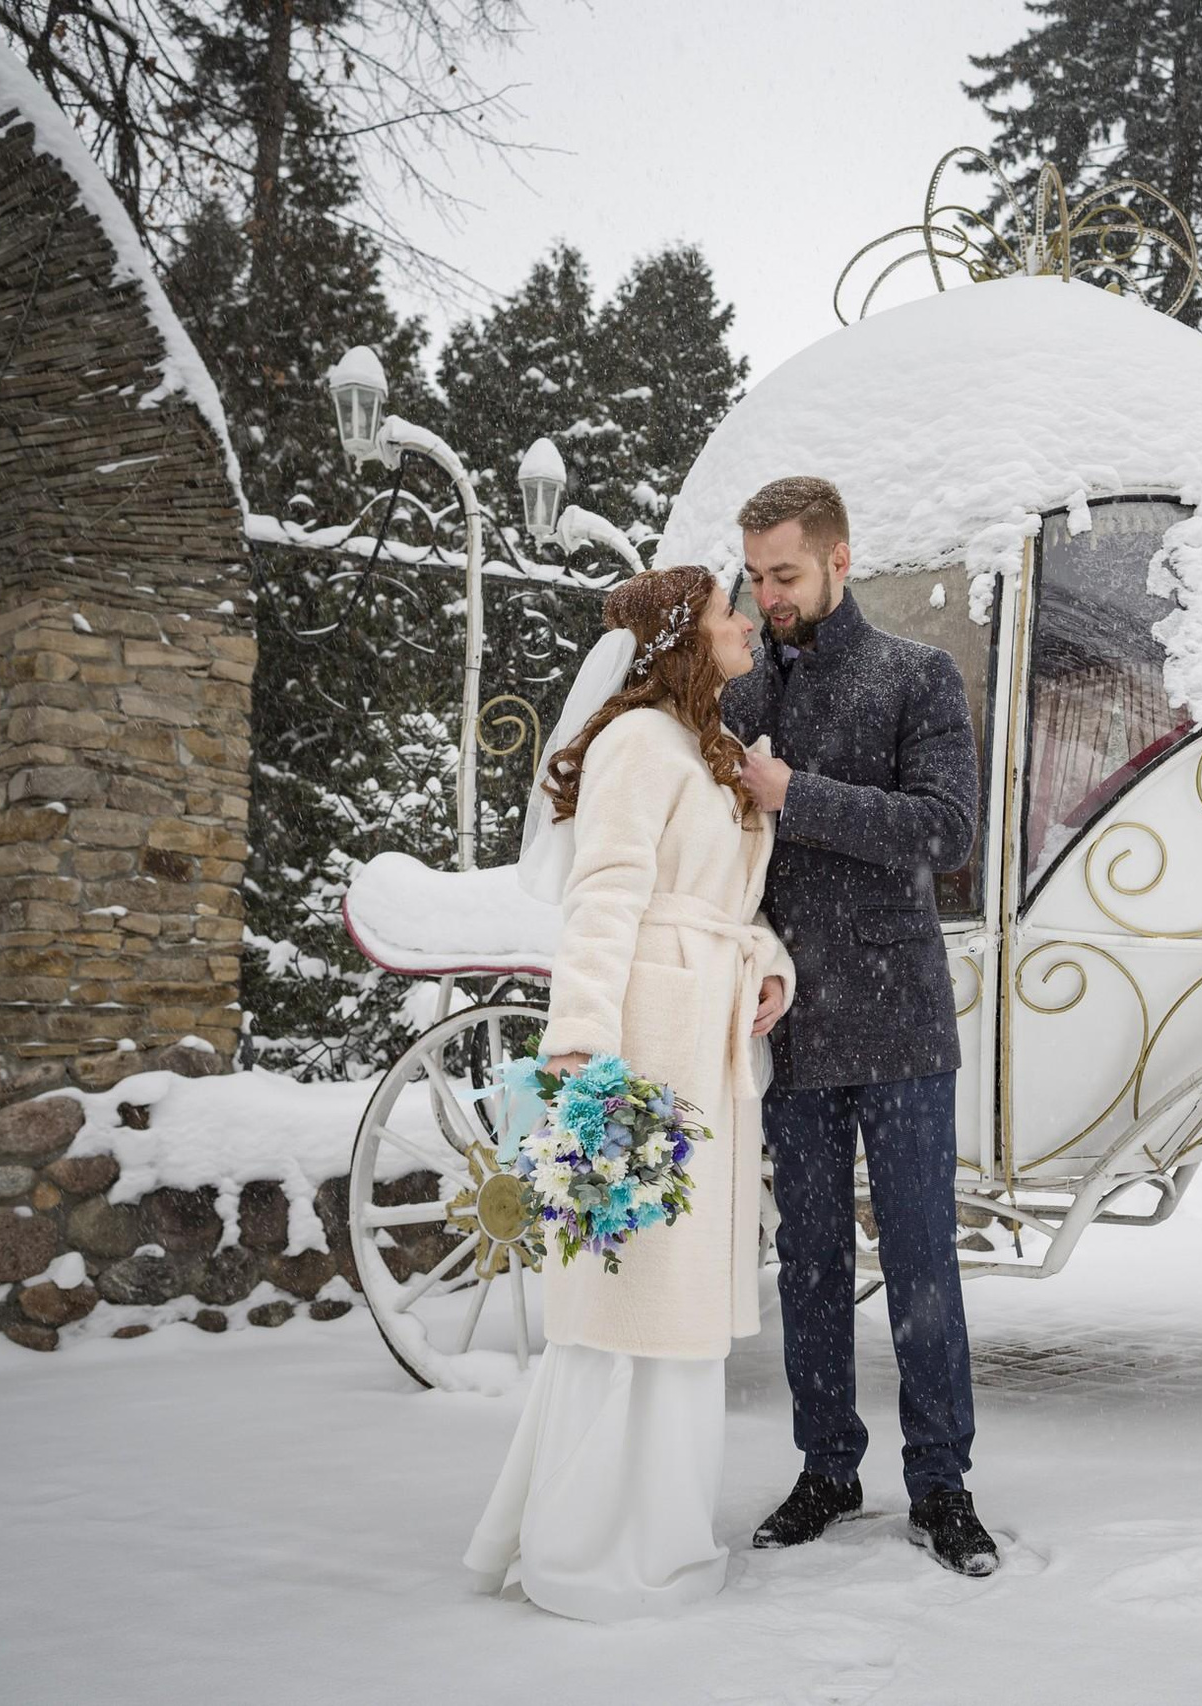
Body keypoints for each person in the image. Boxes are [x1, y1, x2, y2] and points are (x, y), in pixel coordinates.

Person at [463, 565, 793, 1620]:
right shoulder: (635, 744)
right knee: (628, 1276)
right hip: (649, 1039)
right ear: (679, 639)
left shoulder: (714, 749)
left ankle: (661, 1528)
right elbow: (605, 899)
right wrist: (582, 1052)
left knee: (682, 1290)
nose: (743, 621)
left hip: (709, 1034)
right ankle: (590, 1543)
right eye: (724, 611)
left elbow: (730, 902)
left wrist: (770, 963)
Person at [720, 475, 999, 1577]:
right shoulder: (737, 696)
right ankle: (827, 1468)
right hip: (788, 1023)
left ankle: (942, 1483)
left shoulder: (915, 674)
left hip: (900, 1018)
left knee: (924, 1255)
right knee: (809, 1257)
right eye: (754, 573)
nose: (767, 593)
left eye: (784, 572)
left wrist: (798, 793)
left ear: (840, 559)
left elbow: (946, 829)